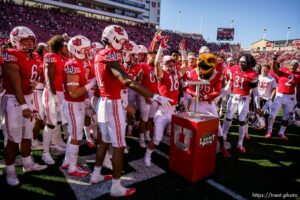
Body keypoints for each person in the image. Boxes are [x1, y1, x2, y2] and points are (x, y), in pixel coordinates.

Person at [91, 25, 171, 197]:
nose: (123, 44)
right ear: (113, 38)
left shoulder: (99, 54)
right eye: (121, 40)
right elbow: (126, 81)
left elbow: (118, 79)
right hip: (112, 102)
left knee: (104, 141)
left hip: (103, 102)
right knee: (119, 145)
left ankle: (96, 174)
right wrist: (156, 96)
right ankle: (116, 186)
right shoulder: (109, 54)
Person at [2, 26, 47, 186]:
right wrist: (24, 106)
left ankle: (28, 164)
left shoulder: (34, 56)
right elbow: (15, 85)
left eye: (31, 40)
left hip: (28, 98)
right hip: (13, 100)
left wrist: (35, 83)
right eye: (24, 40)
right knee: (13, 140)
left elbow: (35, 76)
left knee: (27, 136)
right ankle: (10, 171)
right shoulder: (11, 54)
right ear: (15, 41)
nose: (29, 43)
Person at [144, 35, 188, 167]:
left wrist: (183, 50)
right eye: (168, 63)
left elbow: (185, 64)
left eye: (172, 63)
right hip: (162, 112)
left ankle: (176, 157)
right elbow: (157, 63)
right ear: (164, 64)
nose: (170, 65)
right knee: (157, 139)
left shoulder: (176, 74)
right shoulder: (162, 74)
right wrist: (161, 48)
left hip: (173, 111)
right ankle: (148, 154)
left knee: (178, 138)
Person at [61, 35, 97, 176]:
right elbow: (74, 93)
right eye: (86, 49)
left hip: (76, 104)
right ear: (78, 50)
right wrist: (91, 84)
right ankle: (72, 168)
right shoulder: (73, 65)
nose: (89, 52)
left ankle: (66, 162)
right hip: (73, 104)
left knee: (74, 135)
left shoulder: (79, 63)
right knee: (76, 136)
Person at [186, 53, 231, 157]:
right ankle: (189, 146)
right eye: (201, 68)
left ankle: (222, 147)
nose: (202, 71)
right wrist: (193, 94)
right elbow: (187, 88)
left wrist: (207, 97)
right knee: (192, 125)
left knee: (217, 125)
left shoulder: (217, 74)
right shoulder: (193, 72)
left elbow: (218, 91)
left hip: (208, 103)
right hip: (196, 103)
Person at [220, 54, 260, 153]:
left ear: (248, 63)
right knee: (228, 117)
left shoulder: (253, 74)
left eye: (243, 62)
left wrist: (258, 106)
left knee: (242, 120)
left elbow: (255, 92)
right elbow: (229, 84)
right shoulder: (234, 68)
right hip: (233, 97)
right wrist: (221, 96)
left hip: (244, 99)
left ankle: (240, 143)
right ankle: (224, 135)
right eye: (240, 61)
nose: (241, 63)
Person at [42, 35, 69, 165]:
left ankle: (55, 143)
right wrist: (54, 97)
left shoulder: (61, 58)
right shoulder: (51, 56)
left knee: (58, 121)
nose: (67, 48)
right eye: (65, 45)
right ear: (59, 46)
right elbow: (49, 79)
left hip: (60, 92)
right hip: (52, 93)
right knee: (50, 122)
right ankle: (45, 153)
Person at [265, 59, 300, 139]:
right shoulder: (284, 70)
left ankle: (281, 133)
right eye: (292, 64)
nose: (293, 66)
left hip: (290, 97)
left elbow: (298, 89)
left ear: (298, 66)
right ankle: (269, 131)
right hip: (280, 95)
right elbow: (275, 69)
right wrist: (274, 60)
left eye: (295, 65)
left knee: (286, 117)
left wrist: (297, 100)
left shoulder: (299, 74)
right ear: (289, 64)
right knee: (272, 115)